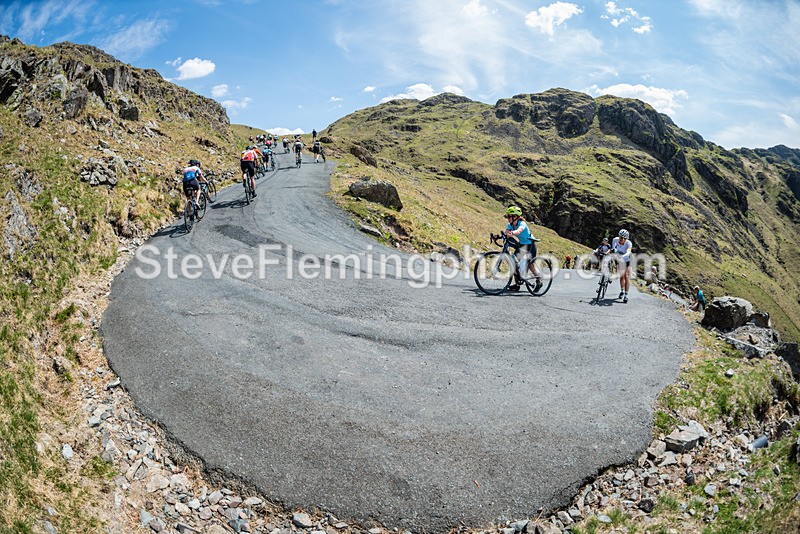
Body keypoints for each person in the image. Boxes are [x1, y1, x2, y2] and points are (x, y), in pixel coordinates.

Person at [504, 205, 541, 292]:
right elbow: (507, 231)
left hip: (530, 245)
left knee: (530, 265)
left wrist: (512, 233)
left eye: (510, 216)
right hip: (522, 245)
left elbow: (519, 231)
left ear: (515, 217)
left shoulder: (522, 223)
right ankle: (517, 285)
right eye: (507, 216)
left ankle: (539, 281)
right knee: (513, 262)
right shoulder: (510, 225)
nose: (508, 218)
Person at [611, 229, 633, 303]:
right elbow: (613, 248)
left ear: (627, 239)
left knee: (627, 276)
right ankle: (622, 291)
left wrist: (622, 256)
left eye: (624, 238)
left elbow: (628, 252)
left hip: (627, 259)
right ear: (619, 236)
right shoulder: (615, 240)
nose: (622, 239)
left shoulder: (629, 243)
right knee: (621, 276)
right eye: (621, 237)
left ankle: (626, 295)